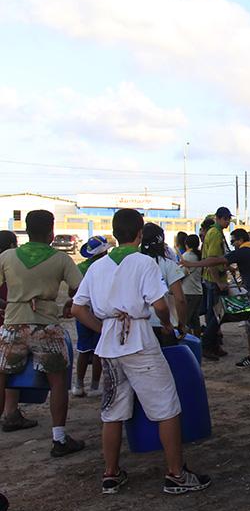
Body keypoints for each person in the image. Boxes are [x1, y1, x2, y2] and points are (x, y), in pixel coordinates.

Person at [71, 208, 211, 494]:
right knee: (167, 407)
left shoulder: (97, 266)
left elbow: (77, 308)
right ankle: (176, 474)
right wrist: (168, 325)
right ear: (139, 233)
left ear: (114, 233)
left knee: (112, 411)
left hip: (110, 345)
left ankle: (111, 473)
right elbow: (159, 304)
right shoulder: (144, 262)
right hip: (139, 340)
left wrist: (103, 328)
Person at [0, 210, 85, 455]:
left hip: (13, 325)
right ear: (51, 232)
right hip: (47, 327)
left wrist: (7, 304)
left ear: (26, 231)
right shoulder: (61, 259)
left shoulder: (7, 256)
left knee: (1, 376)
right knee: (57, 382)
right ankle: (59, 439)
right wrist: (69, 303)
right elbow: (80, 288)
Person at [182, 228, 250, 368]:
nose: (233, 245)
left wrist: (192, 264)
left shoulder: (243, 251)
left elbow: (216, 261)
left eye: (233, 242)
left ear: (240, 240)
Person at [0, 230, 37, 432]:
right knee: (11, 371)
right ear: (12, 246)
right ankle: (11, 413)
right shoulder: (13, 266)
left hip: (8, 322)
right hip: (10, 323)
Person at [72, 235, 112, 398]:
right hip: (100, 313)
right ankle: (95, 386)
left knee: (83, 349)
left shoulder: (81, 268)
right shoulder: (108, 267)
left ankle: (78, 384)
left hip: (82, 311)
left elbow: (72, 291)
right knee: (97, 351)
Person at [140, 223, 188, 345]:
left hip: (138, 325)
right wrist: (181, 324)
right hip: (163, 324)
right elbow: (180, 299)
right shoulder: (168, 264)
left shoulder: (133, 264)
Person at [201, 207, 231, 361]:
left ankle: (214, 345)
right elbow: (211, 260)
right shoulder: (215, 234)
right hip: (214, 280)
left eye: (229, 219)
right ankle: (207, 345)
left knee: (216, 315)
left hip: (215, 278)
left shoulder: (216, 232)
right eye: (225, 219)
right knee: (216, 315)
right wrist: (218, 282)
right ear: (219, 218)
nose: (228, 222)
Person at [180, 234, 204, 337]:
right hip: (198, 291)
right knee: (195, 319)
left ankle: (187, 339)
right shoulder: (199, 255)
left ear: (186, 244)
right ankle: (197, 340)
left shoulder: (186, 256)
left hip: (188, 291)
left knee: (185, 320)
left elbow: (181, 273)